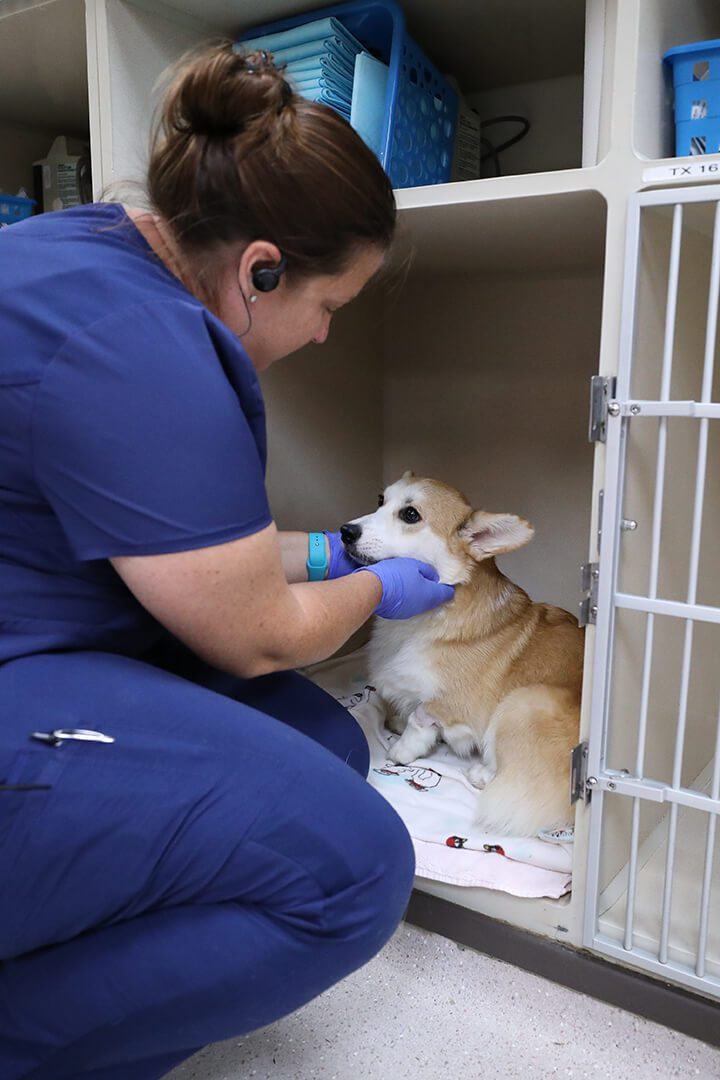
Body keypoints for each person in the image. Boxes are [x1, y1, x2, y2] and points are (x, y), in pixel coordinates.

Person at [0, 43, 454, 1079]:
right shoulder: (144, 351)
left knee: (323, 748)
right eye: (328, 306)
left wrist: (338, 546)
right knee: (352, 869)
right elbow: (257, 636)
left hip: (36, 641)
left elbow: (185, 550)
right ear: (259, 267)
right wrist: (381, 587)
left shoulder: (84, 260)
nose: (326, 337)